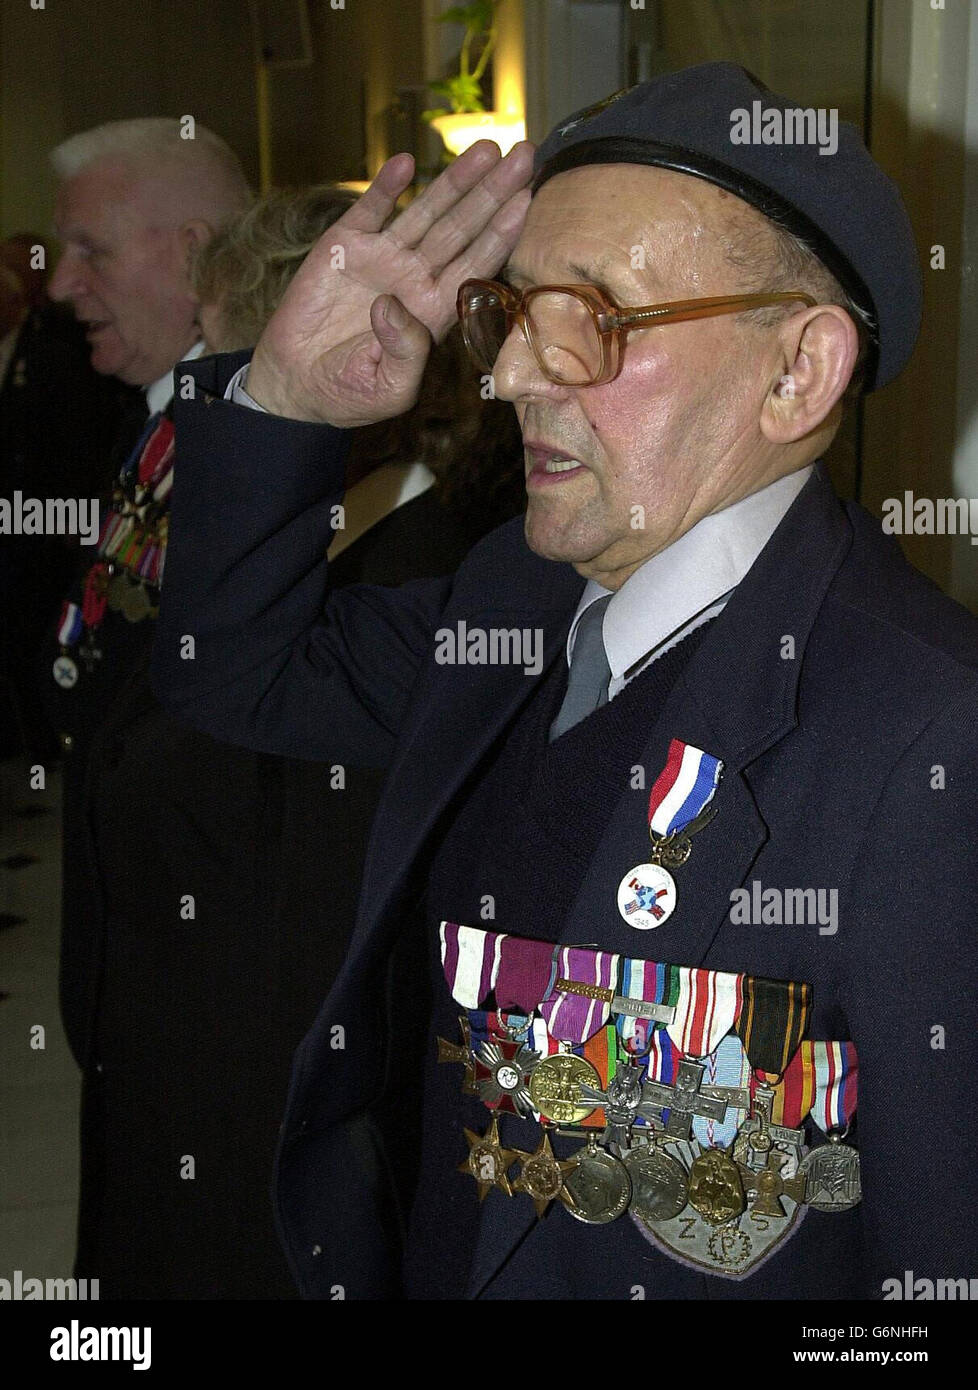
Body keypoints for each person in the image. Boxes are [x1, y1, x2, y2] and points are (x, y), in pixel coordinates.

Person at [152, 63, 978, 1299]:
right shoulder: (516, 605)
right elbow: (232, 672)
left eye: (597, 315)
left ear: (799, 372)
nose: (517, 375)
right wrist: (284, 400)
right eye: (518, 312)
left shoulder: (924, 733)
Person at [52, 178, 522, 1298]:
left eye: (229, 348)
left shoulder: (429, 567)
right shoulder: (294, 523)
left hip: (263, 1141)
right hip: (167, 1096)